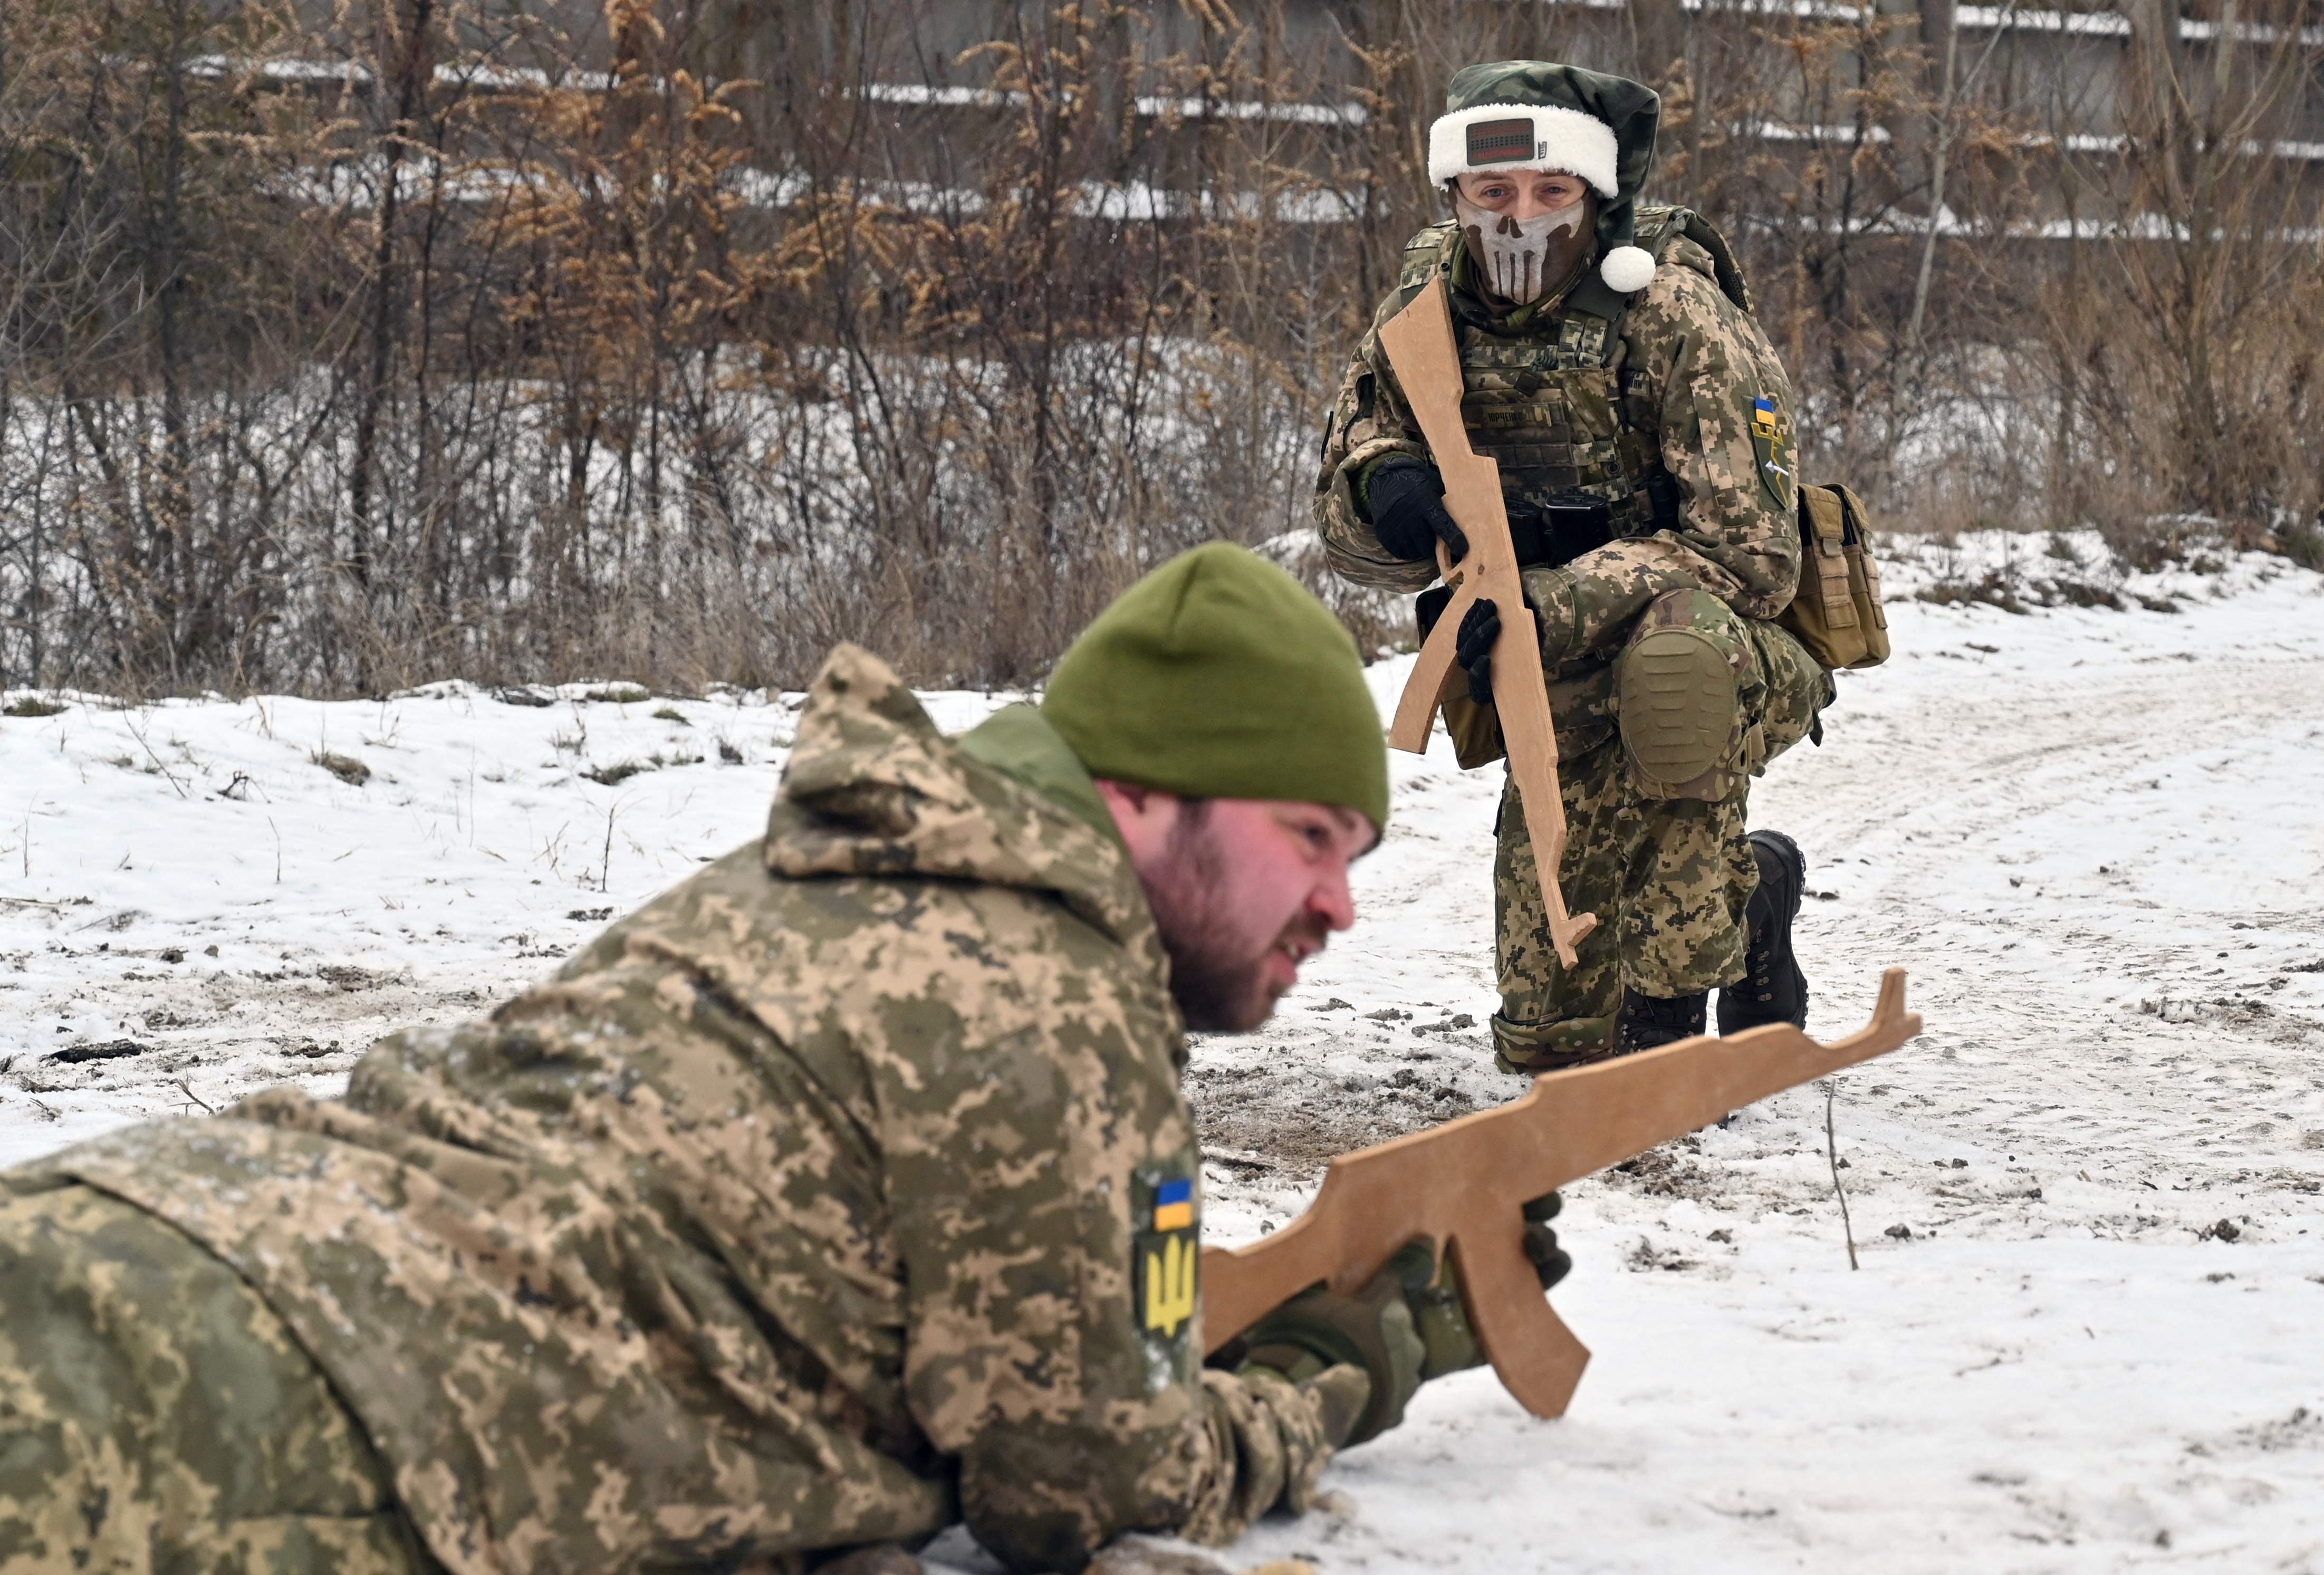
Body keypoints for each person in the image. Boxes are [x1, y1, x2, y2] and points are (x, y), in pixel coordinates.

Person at [0, 544, 1564, 1575]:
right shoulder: (1057, 1000)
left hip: (152, 1225)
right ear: (1144, 792)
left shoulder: (806, 878)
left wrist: (1152, 1327)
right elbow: (1079, 1481)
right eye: (1310, 836)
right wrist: (1324, 1375)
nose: (1338, 904)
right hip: (287, 1427)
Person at [1313, 60, 1834, 1072]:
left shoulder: (1672, 310)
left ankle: (1671, 1015)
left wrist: (1550, 602)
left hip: (1715, 645)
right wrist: (1388, 487)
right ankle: (1756, 894)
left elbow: (1752, 557)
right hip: (1542, 663)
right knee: (1548, 1044)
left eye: (1552, 190)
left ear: (1594, 195)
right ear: (1454, 194)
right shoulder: (1424, 309)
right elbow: (1347, 514)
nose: (1520, 217)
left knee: (1673, 674)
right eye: (1492, 190)